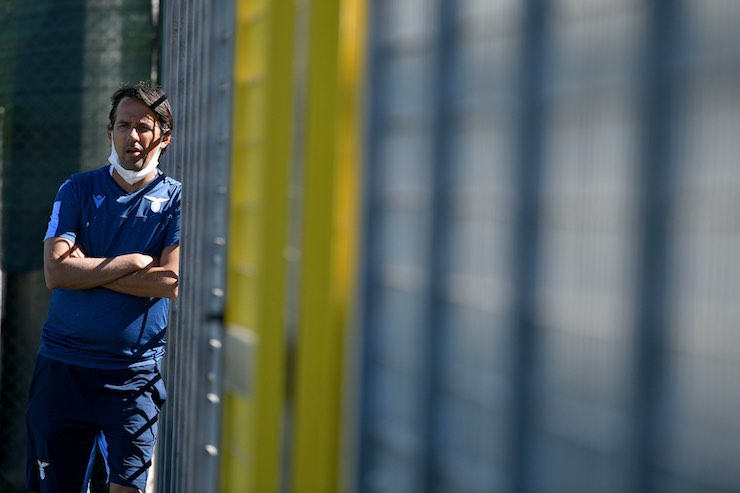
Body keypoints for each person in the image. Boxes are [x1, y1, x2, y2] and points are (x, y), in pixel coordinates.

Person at [26, 82, 181, 493]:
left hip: (134, 375)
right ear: (108, 131)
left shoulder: (178, 200)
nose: (132, 136)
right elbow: (56, 274)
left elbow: (171, 282)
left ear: (164, 137)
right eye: (123, 125)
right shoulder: (77, 188)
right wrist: (132, 262)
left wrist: (87, 268)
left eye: (144, 127)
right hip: (63, 368)